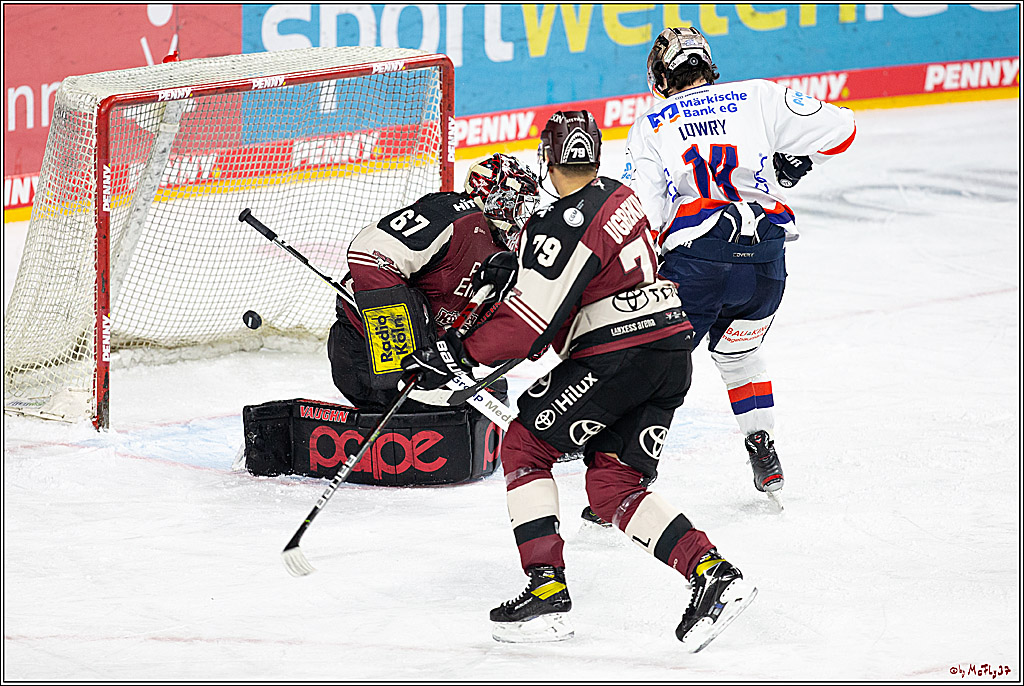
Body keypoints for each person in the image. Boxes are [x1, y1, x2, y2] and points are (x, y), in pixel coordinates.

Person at [402, 111, 758, 652]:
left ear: (548, 157)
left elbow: (525, 328)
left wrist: (456, 350)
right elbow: (582, 286)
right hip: (667, 354)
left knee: (524, 445)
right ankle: (712, 575)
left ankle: (546, 589)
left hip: (618, 356)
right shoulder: (621, 195)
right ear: (594, 153)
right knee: (613, 485)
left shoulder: (556, 226)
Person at [622, 27, 857, 498]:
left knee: (657, 364)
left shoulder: (652, 124)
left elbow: (643, 215)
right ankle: (762, 448)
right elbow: (842, 130)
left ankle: (628, 477)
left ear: (660, 78)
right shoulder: (758, 97)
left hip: (700, 264)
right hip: (766, 265)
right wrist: (787, 159)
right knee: (739, 353)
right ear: (709, 66)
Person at [328, 153, 538, 411]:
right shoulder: (452, 215)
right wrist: (405, 355)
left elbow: (493, 317)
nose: (521, 217)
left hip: (429, 358)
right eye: (515, 204)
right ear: (491, 196)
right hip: (363, 348)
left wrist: (525, 336)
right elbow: (369, 253)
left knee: (476, 404)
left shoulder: (503, 249)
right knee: (428, 411)